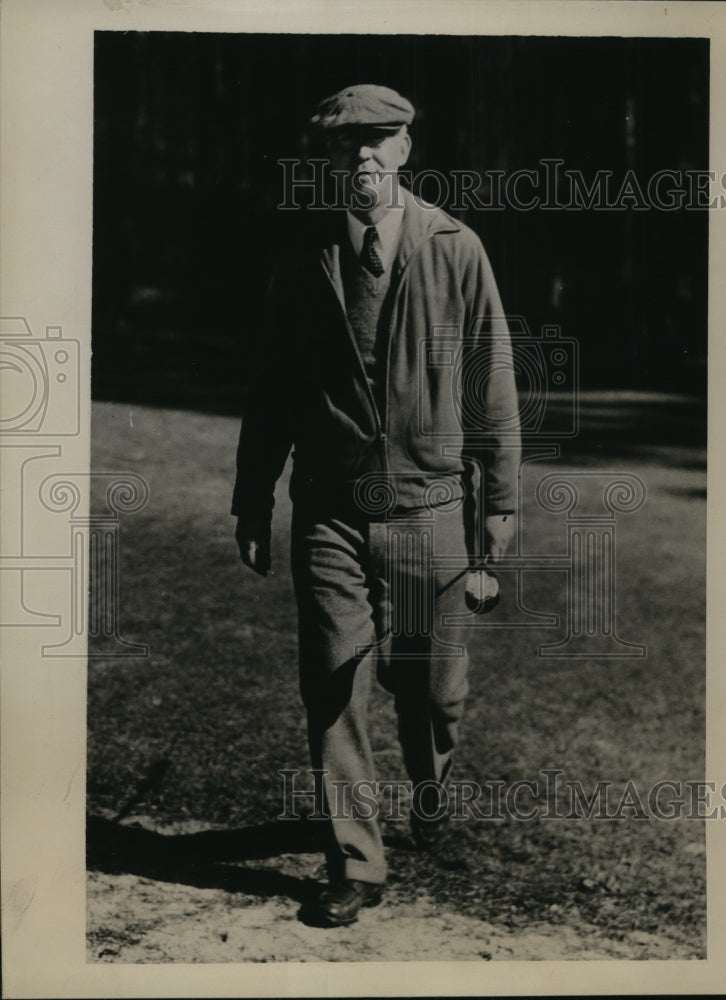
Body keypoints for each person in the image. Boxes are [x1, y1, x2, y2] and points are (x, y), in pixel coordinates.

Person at [232, 84, 521, 926]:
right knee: (332, 679)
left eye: (379, 139)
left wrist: (498, 499)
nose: (362, 154)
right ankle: (354, 861)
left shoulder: (454, 248)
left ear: (403, 151)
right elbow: (272, 390)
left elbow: (491, 377)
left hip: (429, 505)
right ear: (325, 158)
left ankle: (427, 786)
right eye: (345, 143)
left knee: (430, 686)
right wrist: (254, 500)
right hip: (326, 505)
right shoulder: (301, 254)